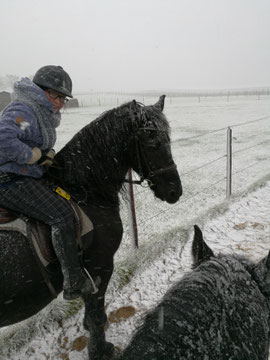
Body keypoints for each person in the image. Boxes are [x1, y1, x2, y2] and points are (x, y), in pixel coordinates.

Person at [0, 65, 90, 300]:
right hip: (8, 180)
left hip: (23, 173)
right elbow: (4, 140)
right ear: (40, 91)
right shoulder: (24, 111)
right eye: (56, 95)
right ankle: (73, 282)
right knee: (60, 215)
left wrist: (46, 154)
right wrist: (34, 156)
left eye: (63, 97)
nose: (61, 102)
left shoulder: (39, 112)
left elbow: (31, 141)